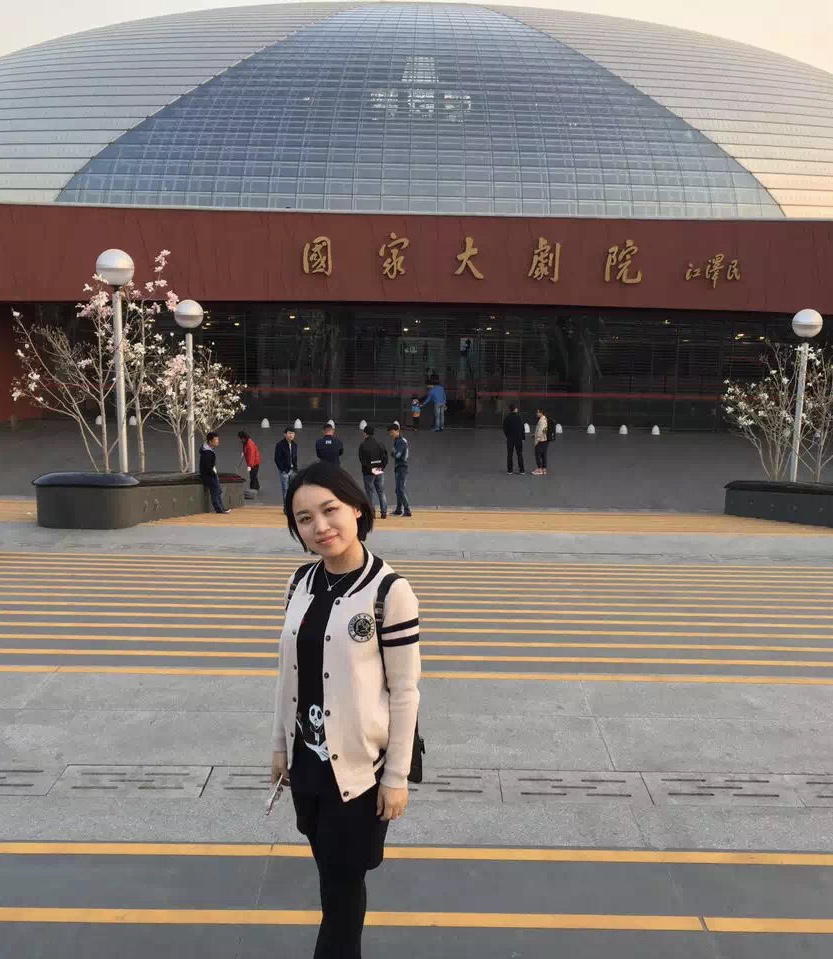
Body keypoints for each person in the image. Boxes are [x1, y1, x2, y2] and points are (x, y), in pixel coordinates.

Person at [271, 462, 421, 959]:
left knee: (341, 889)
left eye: (329, 510)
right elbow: (288, 674)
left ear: (357, 507)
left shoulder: (388, 591)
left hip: (358, 773)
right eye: (304, 518)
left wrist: (396, 776)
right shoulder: (300, 582)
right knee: (332, 881)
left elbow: (405, 692)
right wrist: (279, 746)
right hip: (308, 765)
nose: (320, 526)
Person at [358, 425, 388, 519]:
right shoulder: (380, 444)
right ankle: (384, 512)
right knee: (381, 491)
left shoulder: (363, 445)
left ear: (365, 433)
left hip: (368, 472)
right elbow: (385, 457)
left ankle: (372, 513)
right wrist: (381, 467)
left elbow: (362, 459)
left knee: (370, 492)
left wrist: (370, 468)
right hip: (379, 470)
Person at [199, 431, 230, 513]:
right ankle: (219, 509)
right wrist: (212, 473)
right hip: (209, 476)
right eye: (216, 440)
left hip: (212, 474)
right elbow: (207, 466)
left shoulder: (209, 451)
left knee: (218, 491)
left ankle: (221, 508)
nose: (217, 441)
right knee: (215, 492)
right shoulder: (207, 452)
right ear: (210, 441)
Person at [387, 422, 412, 517]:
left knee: (400, 489)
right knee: (398, 490)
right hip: (399, 467)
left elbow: (398, 455)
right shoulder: (398, 440)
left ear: (397, 431)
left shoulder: (401, 441)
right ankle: (398, 510)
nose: (391, 434)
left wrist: (393, 453)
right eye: (390, 433)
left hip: (402, 467)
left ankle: (407, 510)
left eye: (392, 432)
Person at [274, 426, 299, 503]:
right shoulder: (280, 445)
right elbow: (277, 458)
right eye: (289, 433)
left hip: (293, 470)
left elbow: (295, 457)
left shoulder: (294, 444)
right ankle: (286, 507)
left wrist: (295, 468)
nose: (291, 435)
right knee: (285, 490)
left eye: (293, 433)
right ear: (285, 434)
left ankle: (291, 506)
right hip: (284, 471)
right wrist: (282, 469)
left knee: (293, 489)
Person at [502, 404, 525, 475]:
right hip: (518, 438)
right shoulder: (519, 417)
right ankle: (521, 470)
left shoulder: (507, 417)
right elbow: (522, 428)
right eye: (516, 408)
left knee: (510, 454)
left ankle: (510, 470)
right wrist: (523, 438)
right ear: (515, 409)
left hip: (510, 438)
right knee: (519, 454)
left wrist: (507, 435)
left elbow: (504, 428)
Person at [237, 430, 261, 495]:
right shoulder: (246, 442)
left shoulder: (249, 444)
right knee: (254, 475)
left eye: (240, 438)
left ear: (243, 438)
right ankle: (256, 487)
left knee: (253, 476)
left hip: (254, 463)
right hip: (254, 462)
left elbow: (251, 456)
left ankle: (253, 489)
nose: (240, 440)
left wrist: (250, 466)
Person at [533, 408, 549, 476]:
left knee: (537, 455)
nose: (536, 414)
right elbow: (544, 431)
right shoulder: (545, 419)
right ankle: (544, 469)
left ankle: (539, 469)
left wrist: (537, 439)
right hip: (544, 440)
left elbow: (540, 431)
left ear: (541, 413)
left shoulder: (541, 421)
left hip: (540, 440)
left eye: (538, 412)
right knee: (543, 455)